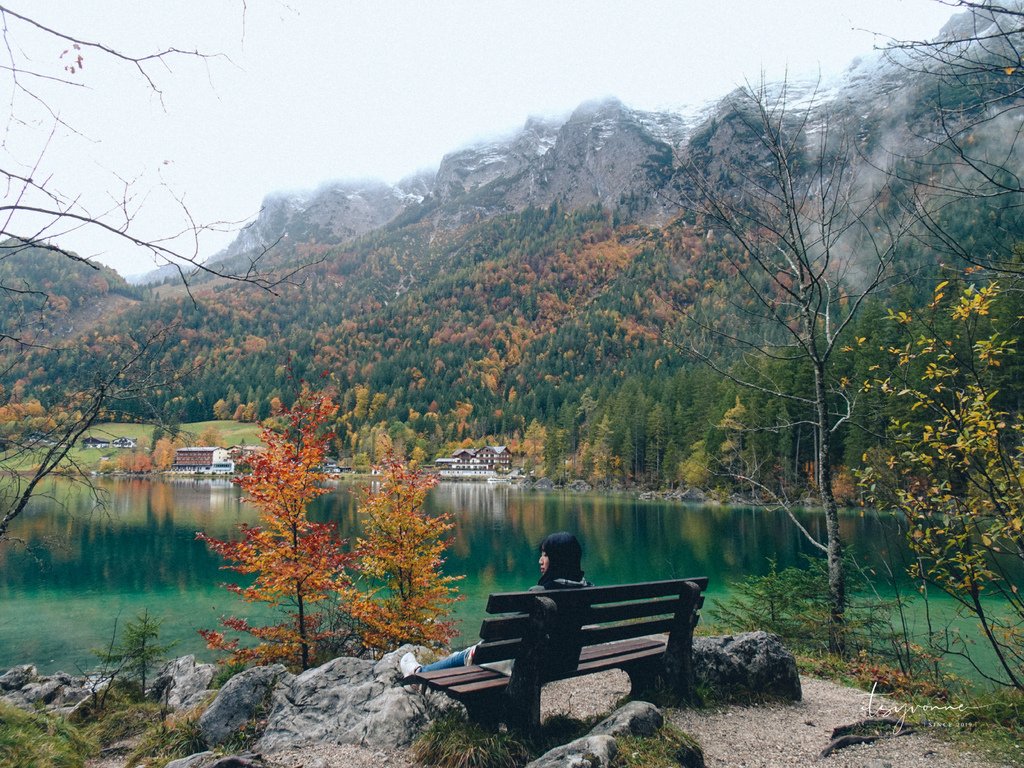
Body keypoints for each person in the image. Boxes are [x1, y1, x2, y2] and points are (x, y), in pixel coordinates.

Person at [399, 531, 592, 678]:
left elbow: (509, 631)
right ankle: (453, 658)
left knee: (474, 652)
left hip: (531, 665)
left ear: (558, 559)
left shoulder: (541, 596)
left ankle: (419, 673)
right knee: (471, 652)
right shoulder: (587, 590)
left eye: (545, 555)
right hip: (564, 662)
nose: (540, 560)